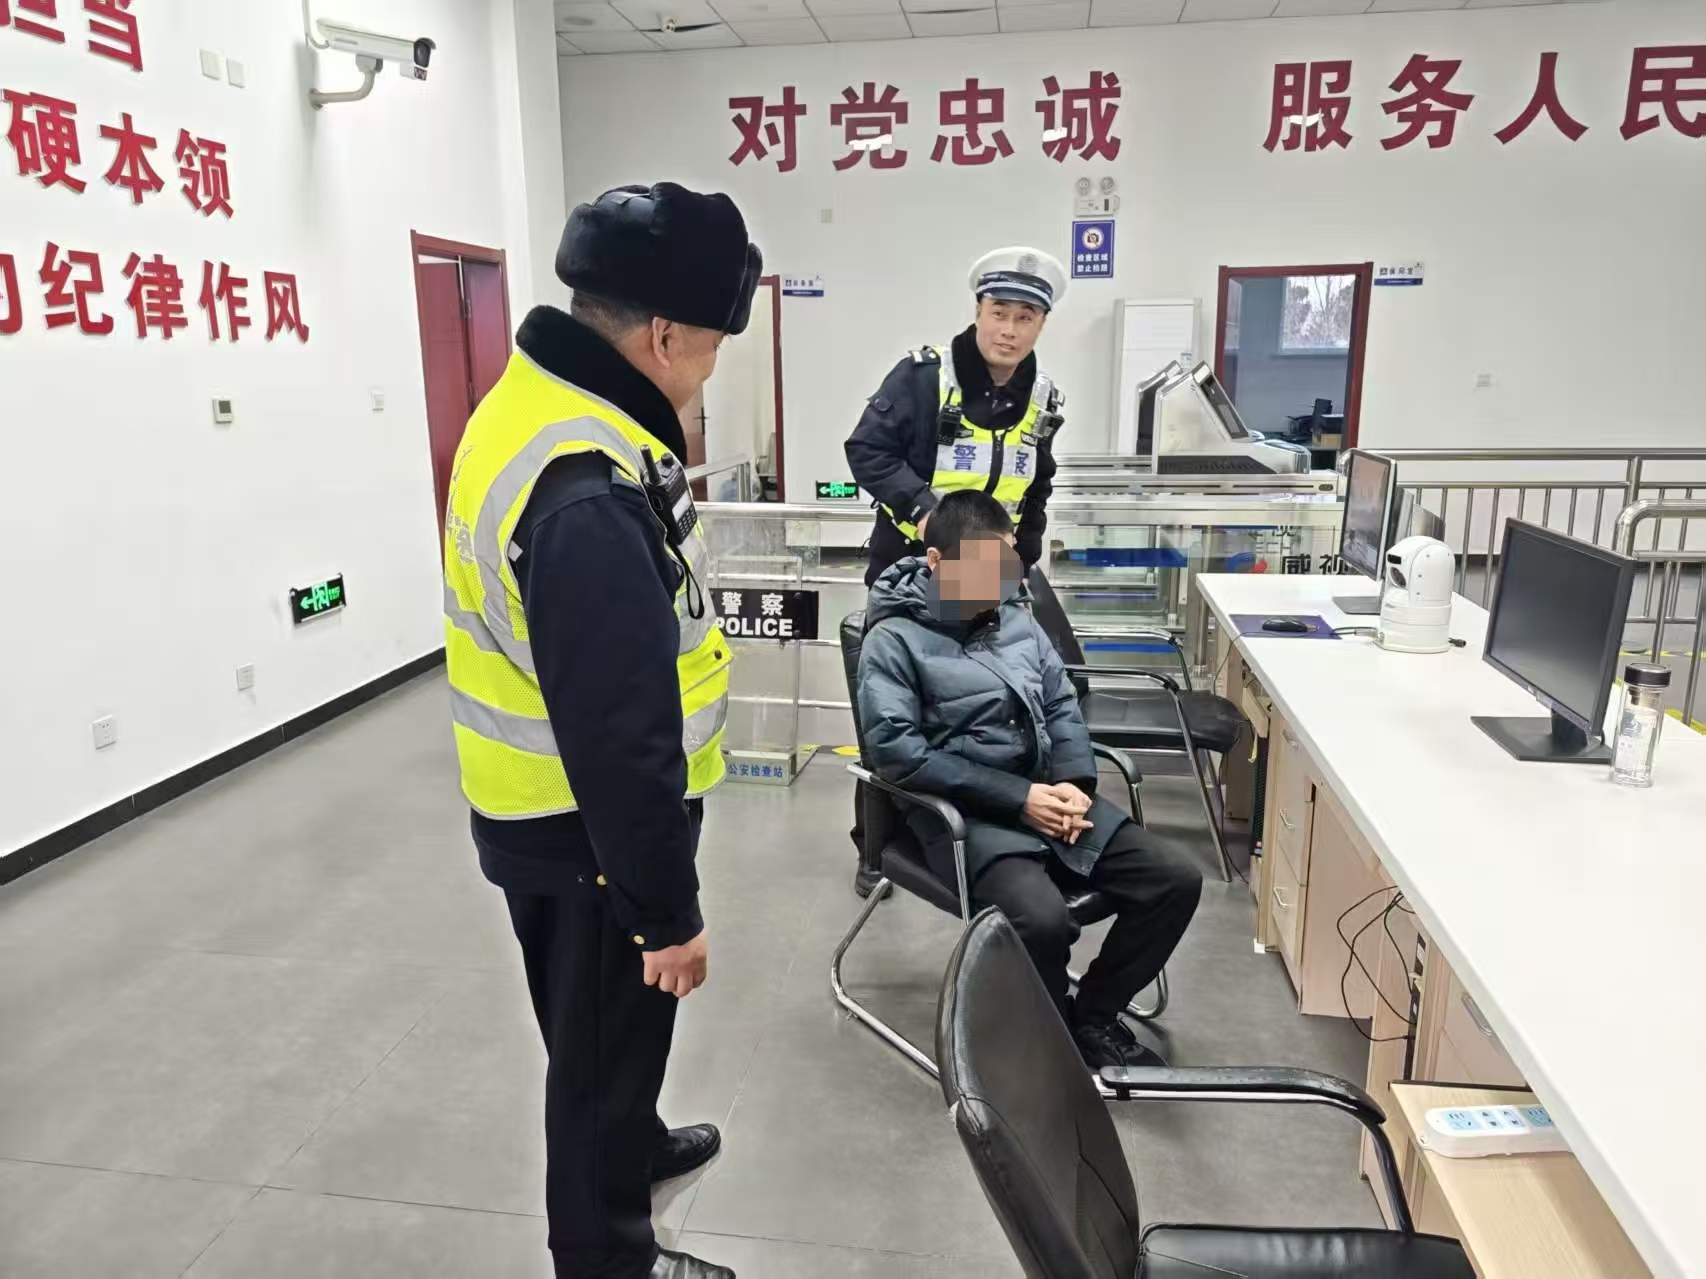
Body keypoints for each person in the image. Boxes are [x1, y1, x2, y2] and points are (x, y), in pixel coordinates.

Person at [443, 182, 759, 1279]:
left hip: (556, 815)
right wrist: (666, 913)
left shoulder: (536, 404)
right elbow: (621, 732)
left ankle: (631, 1137)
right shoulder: (582, 486)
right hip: (583, 829)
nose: (709, 368)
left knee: (611, 1038)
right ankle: (604, 1255)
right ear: (663, 335)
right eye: (711, 345)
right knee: (594, 1054)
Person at [856, 490, 1203, 1070]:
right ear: (937, 562)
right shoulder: (892, 639)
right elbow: (898, 754)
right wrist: (1020, 800)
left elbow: (1061, 703)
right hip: (965, 816)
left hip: (1049, 796)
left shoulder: (1017, 620)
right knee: (1042, 919)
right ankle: (1048, 1036)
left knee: (1174, 880)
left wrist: (1073, 782)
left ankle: (1092, 1017)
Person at [844, 247, 1069, 889]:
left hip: (994, 576)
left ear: (1041, 324)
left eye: (1025, 318)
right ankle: (875, 849)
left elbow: (1037, 487)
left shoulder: (1043, 396)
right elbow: (867, 450)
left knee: (994, 699)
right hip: (916, 572)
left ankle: (996, 823)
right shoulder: (923, 377)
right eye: (999, 312)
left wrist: (1021, 561)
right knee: (893, 713)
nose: (1009, 329)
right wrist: (924, 510)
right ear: (978, 310)